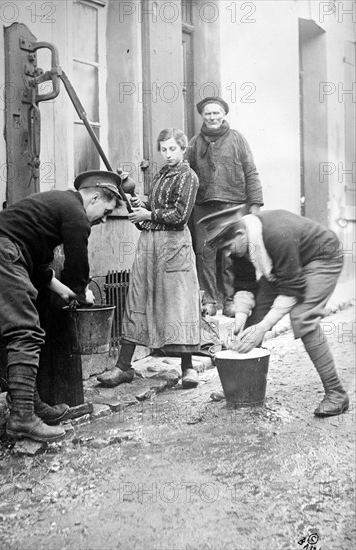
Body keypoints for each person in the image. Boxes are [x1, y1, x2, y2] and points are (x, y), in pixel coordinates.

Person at [0, 171, 122, 442]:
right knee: (25, 333)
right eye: (106, 211)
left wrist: (62, 290)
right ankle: (22, 419)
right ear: (95, 197)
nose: (104, 219)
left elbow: (37, 263)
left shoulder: (56, 205)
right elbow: (78, 258)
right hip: (3, 254)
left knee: (25, 331)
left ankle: (29, 404)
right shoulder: (76, 212)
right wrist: (80, 290)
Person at [198, 205, 350, 417]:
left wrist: (264, 327)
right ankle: (240, 387)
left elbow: (292, 288)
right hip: (287, 266)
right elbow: (245, 285)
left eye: (227, 247)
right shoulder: (242, 243)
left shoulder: (277, 235)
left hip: (321, 257)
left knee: (302, 317)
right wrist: (241, 320)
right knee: (254, 316)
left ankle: (336, 393)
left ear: (240, 234)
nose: (226, 253)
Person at [97, 128, 201, 389]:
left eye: (172, 149)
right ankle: (123, 366)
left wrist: (148, 215)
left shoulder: (189, 177)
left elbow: (179, 217)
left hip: (174, 246)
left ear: (182, 149)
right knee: (137, 297)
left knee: (178, 303)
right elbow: (148, 215)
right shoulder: (159, 177)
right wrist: (133, 202)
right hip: (149, 244)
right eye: (163, 149)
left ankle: (188, 367)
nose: (167, 154)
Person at [187, 96, 264, 317]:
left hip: (233, 205)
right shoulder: (194, 143)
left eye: (216, 113)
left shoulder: (238, 139)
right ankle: (210, 301)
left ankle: (230, 301)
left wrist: (255, 205)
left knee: (231, 254)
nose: (212, 117)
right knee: (205, 253)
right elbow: (184, 173)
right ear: (202, 116)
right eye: (208, 114)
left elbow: (251, 171)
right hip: (203, 207)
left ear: (224, 115)